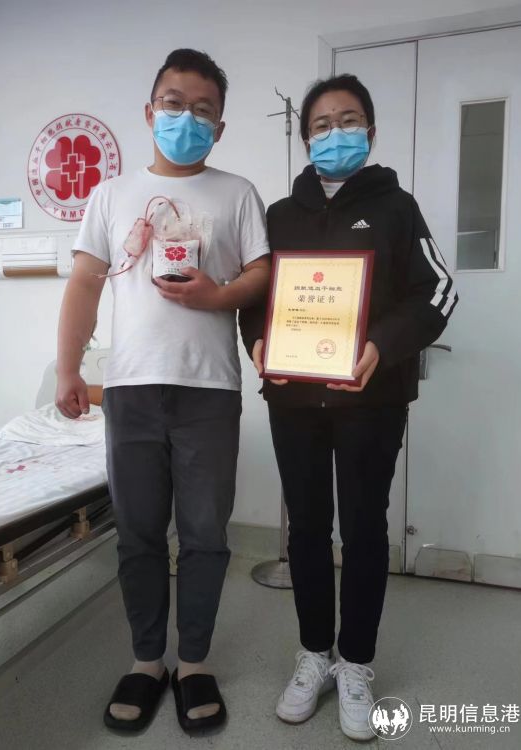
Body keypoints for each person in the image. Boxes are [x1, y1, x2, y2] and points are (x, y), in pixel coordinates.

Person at [56, 48, 270, 734]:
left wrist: (217, 296)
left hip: (209, 391)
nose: (187, 118)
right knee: (139, 533)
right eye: (175, 104)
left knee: (205, 535)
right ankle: (148, 661)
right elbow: (85, 282)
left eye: (203, 110)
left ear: (220, 126)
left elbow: (261, 275)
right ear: (150, 112)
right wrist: (67, 369)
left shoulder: (237, 193)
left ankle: (195, 661)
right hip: (130, 390)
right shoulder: (110, 194)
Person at [239, 74, 457, 742]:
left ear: (371, 130)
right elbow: (254, 296)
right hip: (294, 400)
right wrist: (258, 342)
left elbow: (437, 291)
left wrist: (381, 346)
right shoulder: (281, 214)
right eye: (322, 124)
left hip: (372, 399)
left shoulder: (397, 207)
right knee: (306, 528)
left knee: (363, 530)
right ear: (306, 138)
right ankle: (314, 655)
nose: (336, 132)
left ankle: (356, 662)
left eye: (349, 120)